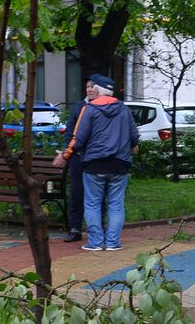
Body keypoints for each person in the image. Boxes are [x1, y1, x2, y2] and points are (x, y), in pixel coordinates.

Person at [53, 78, 138, 251]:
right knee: (116, 204)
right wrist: (131, 146)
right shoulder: (124, 109)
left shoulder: (89, 109)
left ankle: (96, 243)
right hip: (119, 164)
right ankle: (113, 243)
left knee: (92, 203)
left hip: (94, 165)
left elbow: (79, 138)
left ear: (97, 91)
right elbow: (134, 136)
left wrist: (65, 155)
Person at [58, 78, 99, 242]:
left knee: (96, 194)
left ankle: (96, 229)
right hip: (78, 157)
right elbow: (69, 132)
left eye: (92, 86)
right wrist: (71, 151)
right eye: (87, 86)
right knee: (76, 193)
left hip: (96, 158)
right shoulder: (78, 107)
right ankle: (74, 228)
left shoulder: (103, 107)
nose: (89, 89)